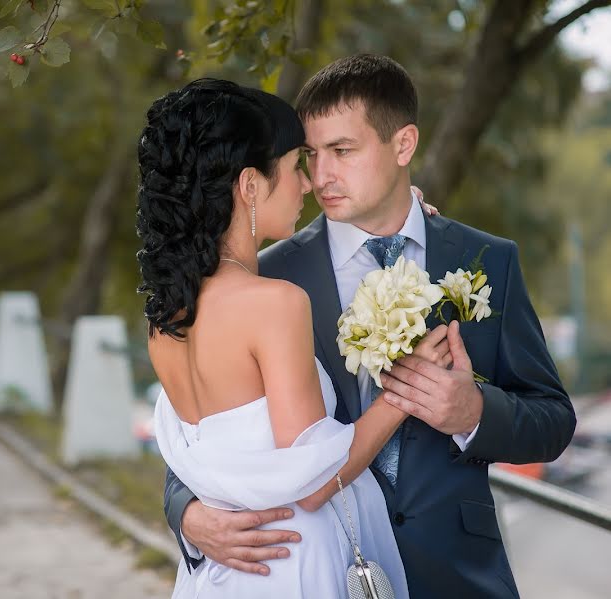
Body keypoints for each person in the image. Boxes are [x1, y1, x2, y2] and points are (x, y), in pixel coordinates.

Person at [163, 55, 576, 598]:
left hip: (455, 574)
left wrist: (475, 412)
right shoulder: (269, 275)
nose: (320, 176)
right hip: (317, 567)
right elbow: (208, 428)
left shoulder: (485, 259)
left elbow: (553, 419)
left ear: (403, 145)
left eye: (343, 151)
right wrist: (186, 513)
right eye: (310, 156)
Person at [138, 78, 444, 598]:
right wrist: (401, 397)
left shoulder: (167, 316)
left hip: (221, 574)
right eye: (294, 165)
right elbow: (316, 480)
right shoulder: (274, 304)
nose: (308, 184)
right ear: (250, 185)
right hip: (293, 563)